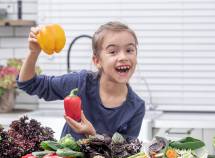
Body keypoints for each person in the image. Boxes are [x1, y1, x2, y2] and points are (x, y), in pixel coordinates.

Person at [17, 21, 145, 140]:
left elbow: (126, 155)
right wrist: (33, 52)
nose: (123, 57)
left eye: (129, 50)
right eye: (113, 51)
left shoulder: (136, 107)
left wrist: (93, 135)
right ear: (97, 61)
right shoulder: (79, 82)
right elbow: (28, 84)